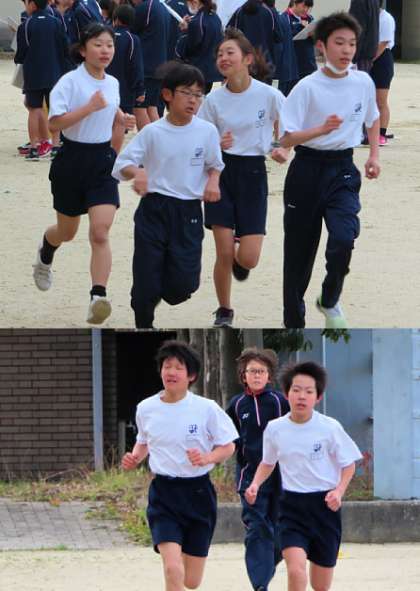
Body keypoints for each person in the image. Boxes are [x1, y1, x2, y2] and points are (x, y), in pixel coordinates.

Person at [279, 11, 380, 329]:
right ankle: (293, 322)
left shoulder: (363, 82)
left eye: (352, 43)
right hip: (306, 170)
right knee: (298, 256)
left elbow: (373, 118)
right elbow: (286, 138)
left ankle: (329, 298)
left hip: (343, 170)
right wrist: (320, 130)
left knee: (344, 238)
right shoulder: (307, 87)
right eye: (339, 42)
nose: (347, 49)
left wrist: (374, 155)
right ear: (321, 46)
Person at [32, 22, 136, 325]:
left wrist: (121, 117)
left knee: (100, 231)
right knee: (67, 232)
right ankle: (46, 251)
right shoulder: (68, 82)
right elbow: (54, 124)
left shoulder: (113, 83)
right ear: (82, 50)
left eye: (110, 45)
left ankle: (97, 296)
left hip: (102, 162)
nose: (105, 50)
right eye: (98, 44)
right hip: (71, 161)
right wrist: (89, 108)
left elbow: (111, 108)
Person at [112, 61, 224, 328]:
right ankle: (144, 320)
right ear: (167, 95)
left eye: (198, 95)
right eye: (186, 93)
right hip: (154, 209)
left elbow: (215, 164)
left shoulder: (207, 131)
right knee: (146, 280)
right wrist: (138, 173)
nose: (193, 100)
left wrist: (214, 182)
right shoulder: (152, 132)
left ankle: (158, 288)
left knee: (183, 286)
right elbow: (121, 165)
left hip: (189, 212)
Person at [121, 340, 238, 591]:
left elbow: (228, 446)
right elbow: (143, 442)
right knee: (172, 568)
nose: (171, 372)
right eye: (167, 366)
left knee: (191, 581)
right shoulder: (146, 408)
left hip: (199, 494)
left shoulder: (206, 408)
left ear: (191, 375)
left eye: (178, 367)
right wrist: (134, 457)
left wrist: (207, 458)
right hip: (164, 494)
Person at [245, 361, 363, 591]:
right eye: (296, 390)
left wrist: (339, 491)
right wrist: (255, 484)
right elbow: (268, 462)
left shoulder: (330, 427)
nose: (301, 396)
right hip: (291, 508)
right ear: (286, 393)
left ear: (318, 397)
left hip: (325, 508)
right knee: (296, 570)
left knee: (320, 586)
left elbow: (348, 465)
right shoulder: (275, 428)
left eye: (309, 391)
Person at [198, 27, 288, 327]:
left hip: (253, 174)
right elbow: (199, 140)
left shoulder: (269, 94)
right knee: (223, 251)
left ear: (248, 59)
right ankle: (224, 310)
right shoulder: (212, 100)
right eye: (219, 54)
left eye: (230, 53)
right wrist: (216, 144)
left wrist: (280, 147)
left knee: (248, 259)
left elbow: (288, 125)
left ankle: (241, 254)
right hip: (220, 174)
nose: (223, 58)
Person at [226, 347, 290, 591]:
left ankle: (266, 566)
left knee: (280, 530)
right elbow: (228, 437)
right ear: (243, 375)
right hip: (249, 475)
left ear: (269, 375)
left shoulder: (280, 402)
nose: (256, 375)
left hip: (281, 475)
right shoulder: (236, 405)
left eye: (261, 371)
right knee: (257, 527)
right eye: (251, 371)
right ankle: (260, 585)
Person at [15, 0, 69, 161]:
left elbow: (21, 53)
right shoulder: (56, 22)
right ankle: (56, 146)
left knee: (34, 109)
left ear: (32, 4)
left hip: (33, 74)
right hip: (54, 73)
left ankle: (34, 148)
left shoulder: (26, 25)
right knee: (54, 109)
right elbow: (64, 48)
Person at [106, 3, 145, 152]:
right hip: (125, 89)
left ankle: (104, 151)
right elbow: (136, 66)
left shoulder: (106, 35)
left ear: (115, 19)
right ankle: (113, 154)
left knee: (106, 121)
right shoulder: (132, 39)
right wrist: (139, 89)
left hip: (105, 86)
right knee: (121, 123)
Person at [132, 0, 169, 129]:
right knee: (152, 108)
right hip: (159, 65)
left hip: (146, 67)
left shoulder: (146, 7)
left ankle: (150, 141)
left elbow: (132, 31)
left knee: (139, 108)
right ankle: (159, 139)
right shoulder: (162, 7)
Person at [176, 0, 223, 95]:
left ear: (195, 2)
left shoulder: (197, 21)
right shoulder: (215, 17)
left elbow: (187, 49)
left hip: (197, 71)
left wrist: (184, 32)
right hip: (211, 70)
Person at [227, 0, 282, 80]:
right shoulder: (269, 11)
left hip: (243, 60)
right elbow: (278, 37)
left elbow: (229, 32)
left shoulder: (240, 11)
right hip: (264, 61)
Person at [370, 0, 395, 146]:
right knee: (368, 100)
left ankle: (381, 134)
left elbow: (383, 43)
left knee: (381, 100)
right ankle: (367, 132)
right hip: (367, 57)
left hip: (382, 59)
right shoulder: (366, 17)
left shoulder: (386, 18)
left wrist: (369, 60)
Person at [286, 1, 317, 82]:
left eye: (308, 7)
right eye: (304, 6)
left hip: (309, 65)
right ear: (295, 3)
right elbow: (284, 38)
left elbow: (317, 40)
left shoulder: (310, 18)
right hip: (292, 66)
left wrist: (313, 34)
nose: (306, 9)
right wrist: (300, 27)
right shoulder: (285, 17)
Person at [349, 0, 380, 73]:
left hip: (359, 55)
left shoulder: (359, 2)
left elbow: (358, 29)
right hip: (368, 52)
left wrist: (352, 56)